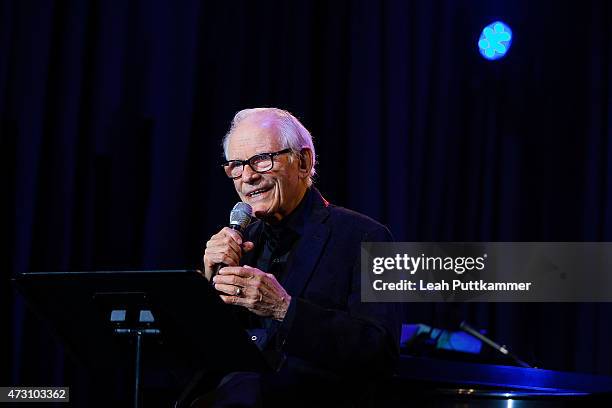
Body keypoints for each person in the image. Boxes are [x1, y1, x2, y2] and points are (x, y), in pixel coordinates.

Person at [185, 108, 400, 407]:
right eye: (235, 165)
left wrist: (284, 309)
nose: (248, 176)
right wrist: (208, 286)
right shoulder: (239, 241)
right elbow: (203, 354)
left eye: (262, 159)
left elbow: (381, 352)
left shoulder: (367, 236)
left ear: (303, 162)